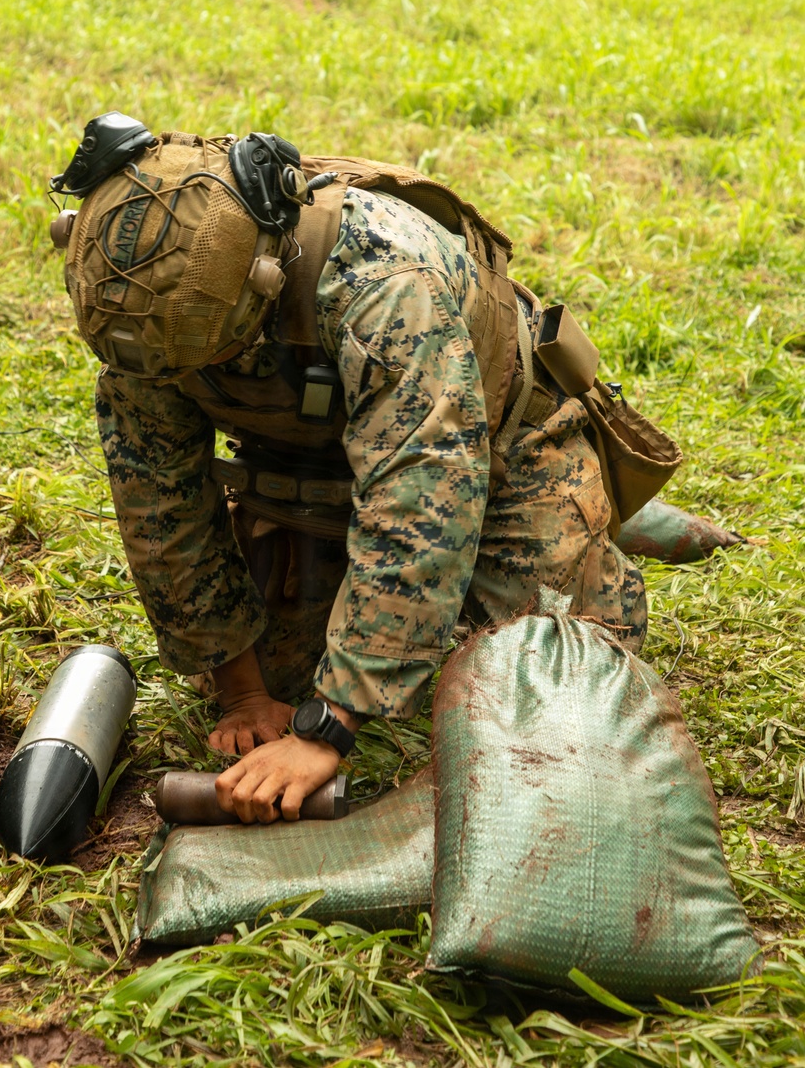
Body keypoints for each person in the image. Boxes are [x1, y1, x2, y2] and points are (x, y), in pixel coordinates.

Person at [49, 115, 681, 824]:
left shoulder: (386, 287)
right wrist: (243, 692)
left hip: (500, 453)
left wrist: (327, 730)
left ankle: (589, 523)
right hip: (325, 464)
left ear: (262, 281)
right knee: (288, 674)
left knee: (552, 687)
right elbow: (158, 502)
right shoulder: (138, 300)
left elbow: (422, 495)